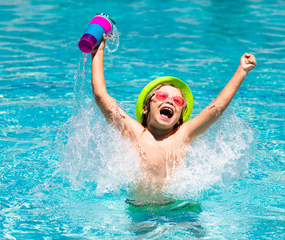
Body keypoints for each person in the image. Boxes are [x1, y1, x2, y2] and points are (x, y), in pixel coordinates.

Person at [91, 34, 256, 205]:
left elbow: (216, 108)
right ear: (146, 108)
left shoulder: (182, 135)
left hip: (179, 205)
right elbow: (101, 97)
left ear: (179, 118)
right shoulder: (135, 132)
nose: (169, 100)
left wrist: (241, 71)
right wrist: (98, 52)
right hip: (141, 207)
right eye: (162, 96)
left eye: (178, 101)